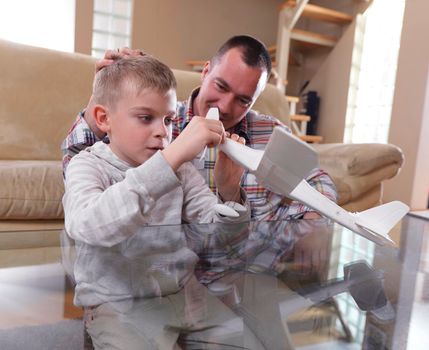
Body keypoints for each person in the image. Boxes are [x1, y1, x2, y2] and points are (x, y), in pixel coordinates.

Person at [63, 56, 262, 349]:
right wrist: (169, 160)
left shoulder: (180, 170)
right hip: (118, 303)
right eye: (146, 118)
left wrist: (229, 190)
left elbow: (220, 238)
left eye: (168, 119)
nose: (163, 132)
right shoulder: (87, 166)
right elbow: (90, 225)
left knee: (248, 343)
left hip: (185, 294)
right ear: (104, 119)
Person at [62, 35, 337, 222]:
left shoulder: (270, 132)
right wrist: (103, 95)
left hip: (239, 270)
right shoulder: (166, 118)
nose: (226, 106)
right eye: (221, 86)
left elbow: (318, 181)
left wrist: (313, 224)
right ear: (206, 72)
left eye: (243, 100)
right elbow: (82, 162)